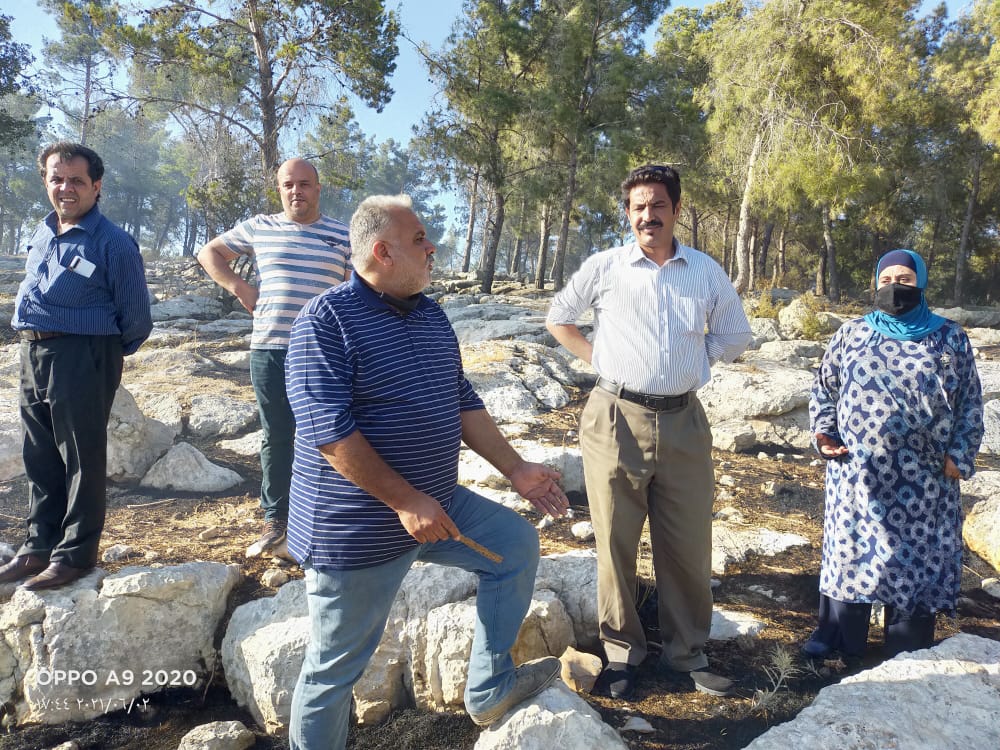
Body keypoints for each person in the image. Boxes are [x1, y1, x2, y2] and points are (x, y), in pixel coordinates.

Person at [285, 194, 571, 749]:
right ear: (382, 252)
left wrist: (515, 470)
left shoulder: (430, 313)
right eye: (420, 240)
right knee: (333, 674)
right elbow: (329, 432)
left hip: (438, 507)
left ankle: (490, 690)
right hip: (358, 530)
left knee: (513, 547)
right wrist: (403, 500)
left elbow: (459, 398)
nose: (432, 246)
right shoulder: (326, 321)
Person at [546, 164, 751, 700]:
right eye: (638, 207)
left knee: (686, 541)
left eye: (657, 205)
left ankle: (688, 652)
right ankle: (621, 654)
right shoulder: (606, 266)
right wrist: (600, 358)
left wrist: (695, 362)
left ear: (676, 210)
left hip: (685, 420)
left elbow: (735, 333)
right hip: (615, 417)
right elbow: (559, 317)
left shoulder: (704, 271)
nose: (646, 216)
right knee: (614, 541)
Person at [803, 248, 984, 661]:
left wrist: (961, 454)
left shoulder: (950, 337)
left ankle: (905, 646)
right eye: (886, 280)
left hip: (924, 479)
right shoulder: (852, 334)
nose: (893, 288)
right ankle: (838, 636)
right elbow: (824, 389)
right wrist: (824, 433)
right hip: (857, 474)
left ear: (920, 282)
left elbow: (971, 402)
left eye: (903, 279)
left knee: (913, 561)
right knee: (852, 554)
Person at [0, 142, 152, 591]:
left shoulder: (114, 243)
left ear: (96, 186)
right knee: (39, 455)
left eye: (76, 180)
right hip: (33, 352)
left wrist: (98, 356)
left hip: (85, 353)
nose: (65, 188)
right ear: (46, 181)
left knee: (81, 459)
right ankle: (37, 548)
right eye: (56, 178)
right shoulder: (43, 231)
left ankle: (75, 555)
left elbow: (137, 319)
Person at [197, 158, 351, 558]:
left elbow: (358, 292)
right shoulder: (260, 227)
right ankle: (276, 520)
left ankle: (325, 518)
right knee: (277, 436)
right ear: (280, 190)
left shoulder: (344, 235)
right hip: (269, 349)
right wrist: (238, 286)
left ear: (319, 189)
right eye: (288, 185)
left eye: (304, 184)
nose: (296, 191)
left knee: (328, 436)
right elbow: (209, 252)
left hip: (323, 354)